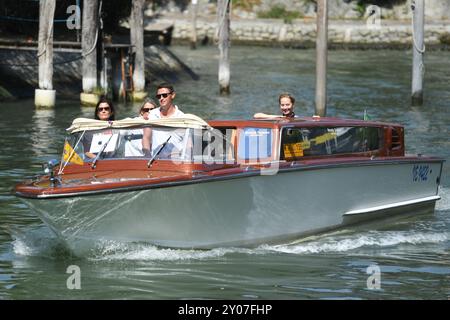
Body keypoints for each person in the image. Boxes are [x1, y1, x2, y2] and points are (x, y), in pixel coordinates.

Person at [142, 83, 188, 158]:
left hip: (176, 161)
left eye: (164, 95)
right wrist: (147, 155)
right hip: (155, 161)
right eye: (158, 96)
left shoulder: (182, 117)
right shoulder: (152, 115)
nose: (161, 98)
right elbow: (146, 138)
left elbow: (188, 143)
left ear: (172, 95)